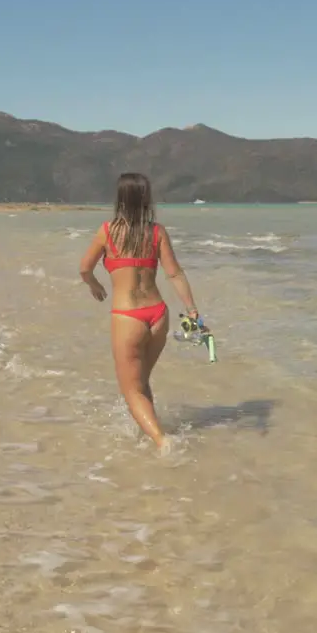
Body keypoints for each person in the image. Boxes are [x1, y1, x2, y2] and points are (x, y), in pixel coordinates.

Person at [78, 172, 203, 452]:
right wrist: (192, 311)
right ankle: (150, 433)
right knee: (141, 382)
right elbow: (175, 274)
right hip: (158, 314)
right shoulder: (157, 232)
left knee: (131, 389)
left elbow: (84, 268)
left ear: (120, 199)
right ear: (146, 198)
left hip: (128, 317)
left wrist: (94, 285)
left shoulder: (108, 231)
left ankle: (162, 442)